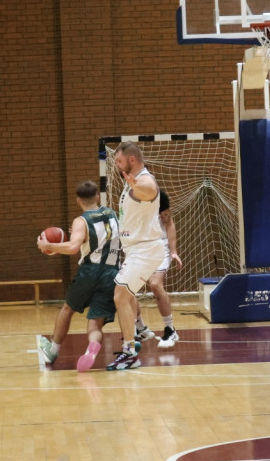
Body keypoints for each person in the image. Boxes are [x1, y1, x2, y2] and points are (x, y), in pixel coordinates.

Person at [36, 180, 121, 372]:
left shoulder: (81, 220)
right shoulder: (112, 213)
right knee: (95, 322)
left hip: (90, 270)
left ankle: (53, 350)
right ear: (97, 196)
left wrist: (49, 246)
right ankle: (92, 347)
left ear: (77, 201)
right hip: (112, 272)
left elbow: (73, 247)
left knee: (68, 309)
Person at [107, 142, 164, 370]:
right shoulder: (131, 180)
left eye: (119, 161)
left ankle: (130, 352)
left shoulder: (143, 179)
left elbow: (150, 190)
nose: (116, 166)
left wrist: (137, 186)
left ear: (131, 160)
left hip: (146, 249)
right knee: (127, 296)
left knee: (120, 295)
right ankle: (137, 335)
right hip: (134, 249)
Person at [132, 189, 183, 349]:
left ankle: (170, 328)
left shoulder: (160, 196)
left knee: (155, 284)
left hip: (160, 246)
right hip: (140, 247)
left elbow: (168, 222)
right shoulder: (130, 197)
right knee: (127, 289)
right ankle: (141, 328)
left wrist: (173, 251)